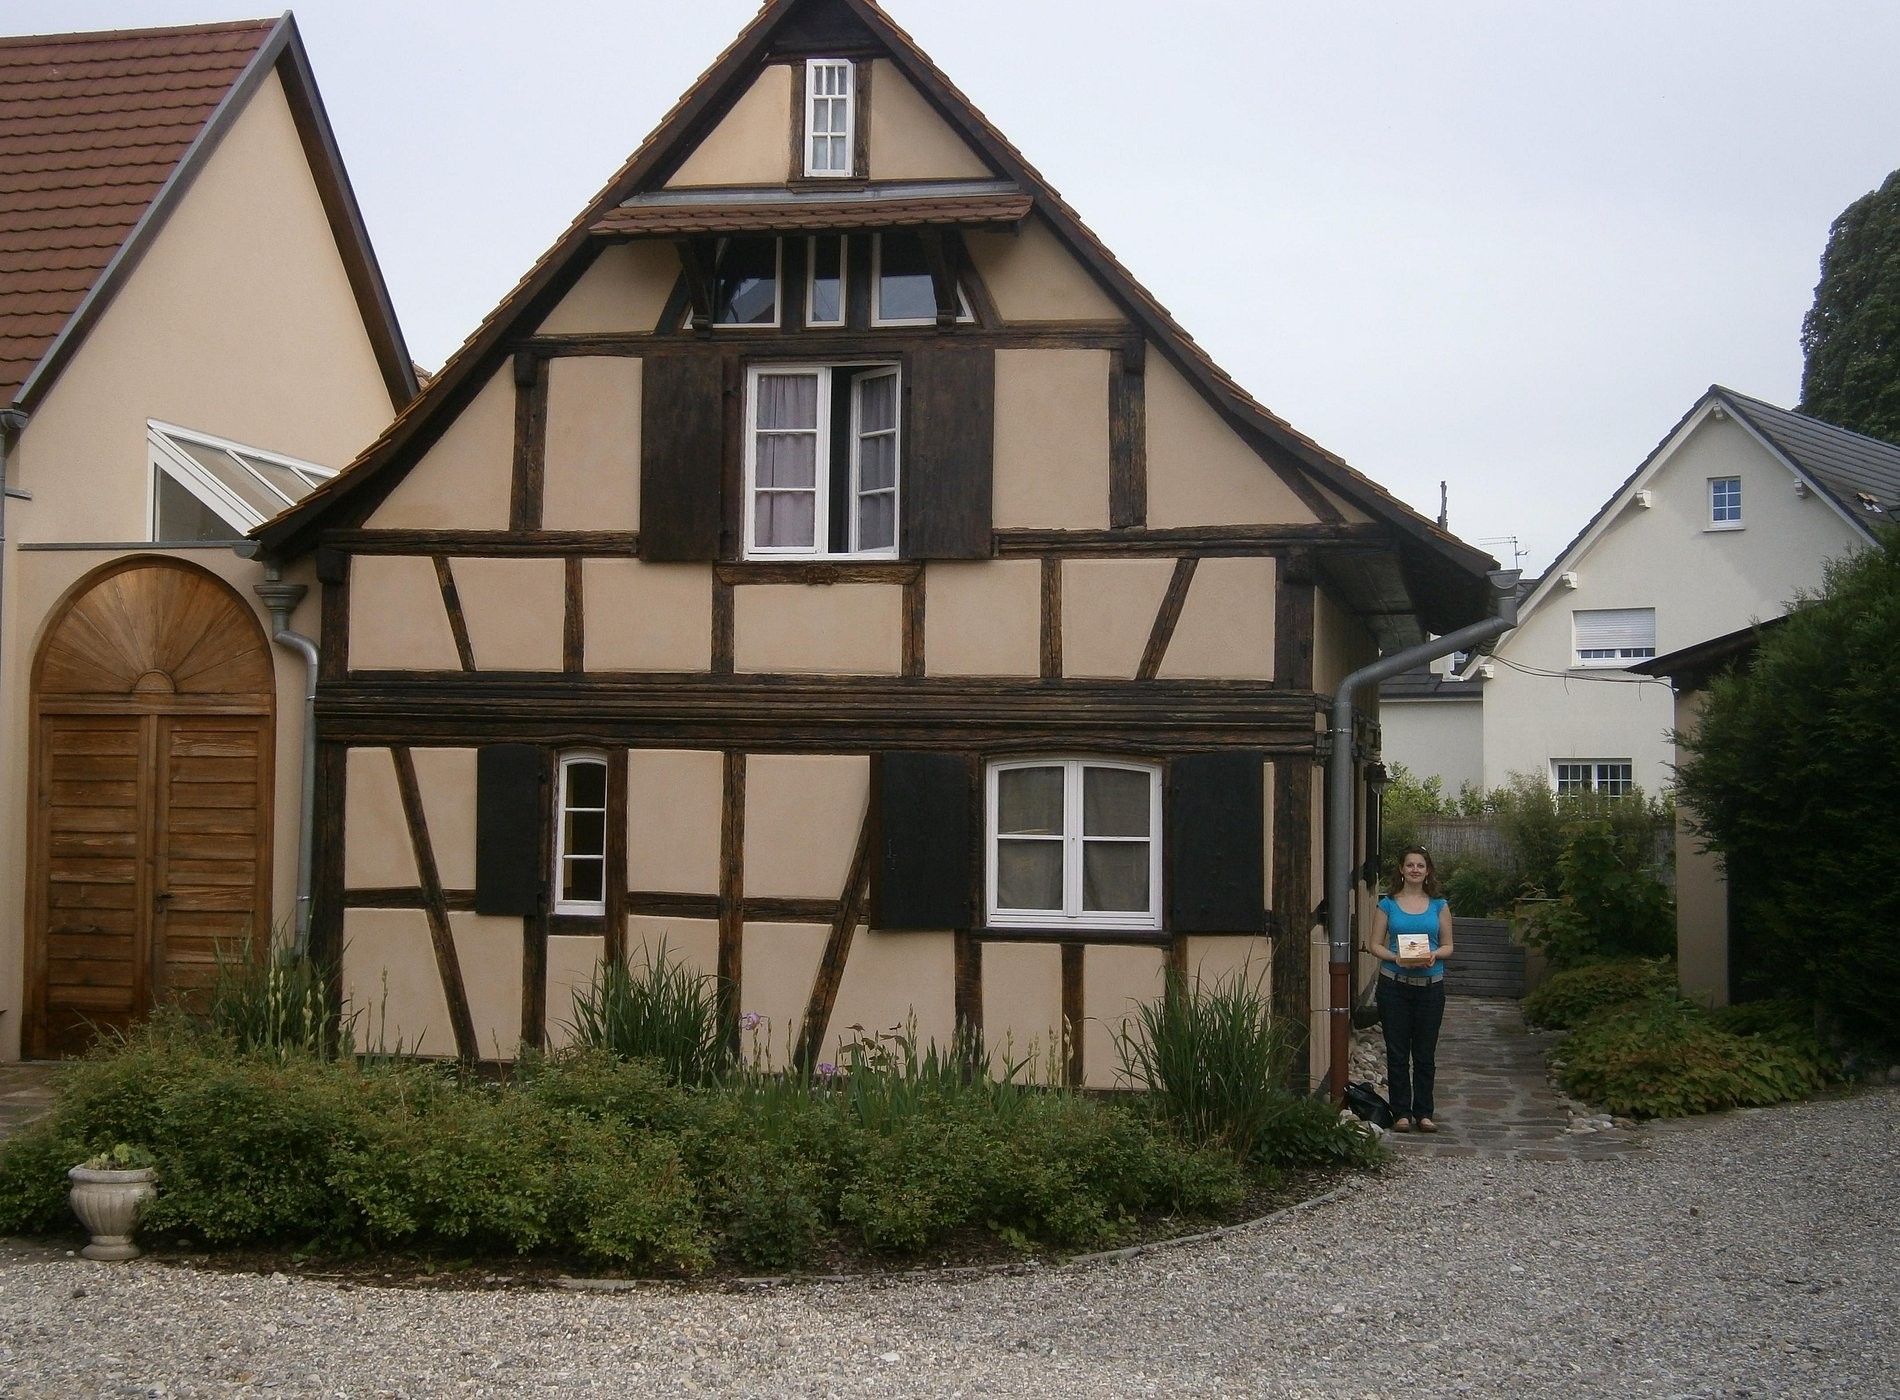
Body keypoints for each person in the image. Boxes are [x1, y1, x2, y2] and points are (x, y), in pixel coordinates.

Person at [1362, 846, 1453, 1132]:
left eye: (1420, 866)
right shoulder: (1387, 904)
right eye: (1410, 865)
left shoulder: (1439, 904)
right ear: (1401, 869)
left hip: (1430, 988)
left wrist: (1433, 955)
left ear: (1428, 871)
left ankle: (1424, 1112)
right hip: (1395, 987)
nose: (1415, 870)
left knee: (1425, 1054)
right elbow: (1375, 944)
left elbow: (1449, 946)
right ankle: (1401, 1112)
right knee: (1398, 1052)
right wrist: (1396, 958)